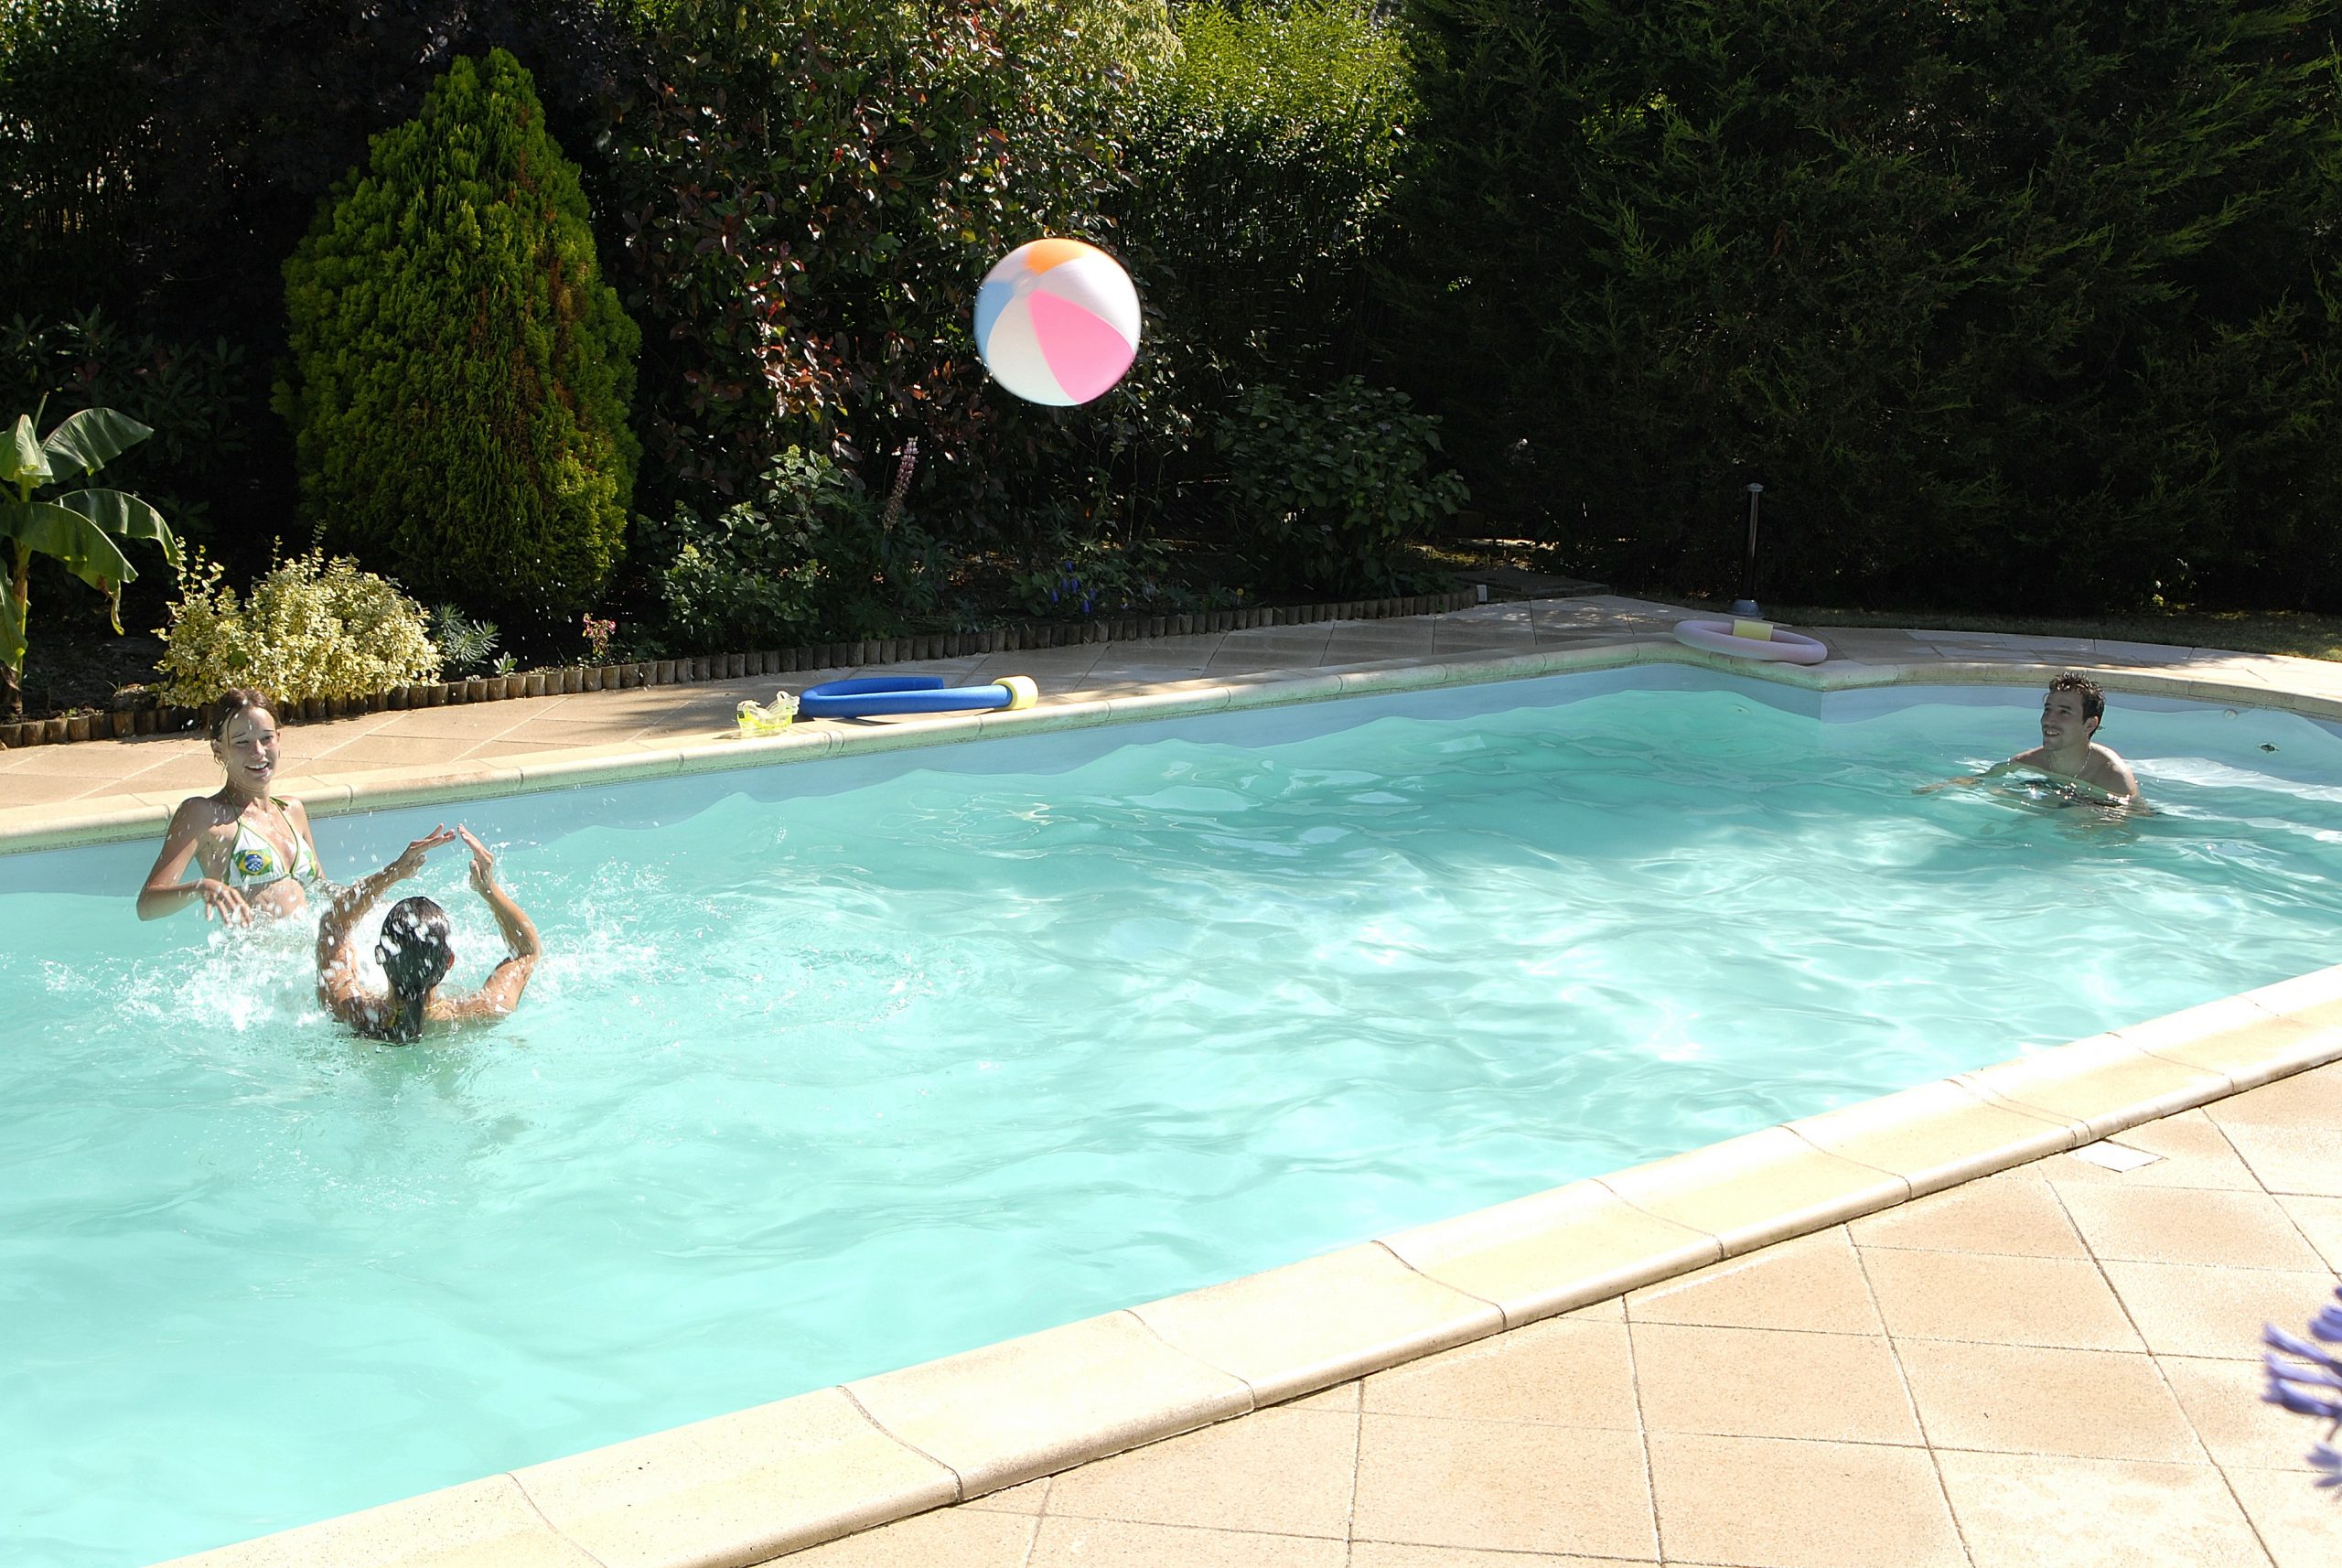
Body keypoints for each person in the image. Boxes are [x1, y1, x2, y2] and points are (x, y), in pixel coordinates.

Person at [315, 824, 542, 1042]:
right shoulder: (481, 1012)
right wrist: (489, 889)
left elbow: (332, 925)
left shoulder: (349, 1010)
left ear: (379, 955)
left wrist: (393, 873)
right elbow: (527, 951)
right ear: (449, 961)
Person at [138, 689, 329, 925]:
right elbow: (147, 906)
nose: (258, 752)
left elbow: (324, 892)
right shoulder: (203, 814)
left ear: (279, 739)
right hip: (258, 959)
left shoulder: (292, 810)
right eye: (242, 742)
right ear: (218, 749)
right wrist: (200, 887)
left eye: (266, 738)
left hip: (309, 954)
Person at [1920, 671, 2144, 807]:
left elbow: (2126, 822)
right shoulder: (2032, 761)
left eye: (2064, 712)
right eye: (2048, 709)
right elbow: (1984, 779)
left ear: (2090, 724)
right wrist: (1942, 787)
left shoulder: (2112, 776)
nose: (2049, 720)